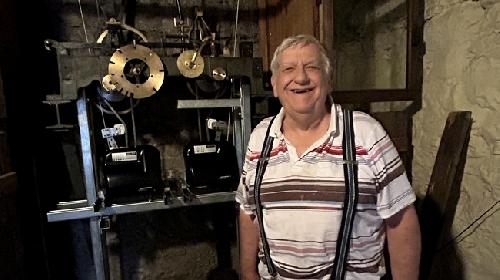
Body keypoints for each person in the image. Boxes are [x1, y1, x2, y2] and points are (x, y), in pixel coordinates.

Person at [235, 34, 421, 280]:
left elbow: (401, 221)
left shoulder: (365, 133)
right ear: (275, 84)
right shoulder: (261, 137)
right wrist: (248, 273)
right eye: (289, 69)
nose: (300, 78)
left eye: (311, 67)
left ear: (328, 80)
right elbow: (248, 213)